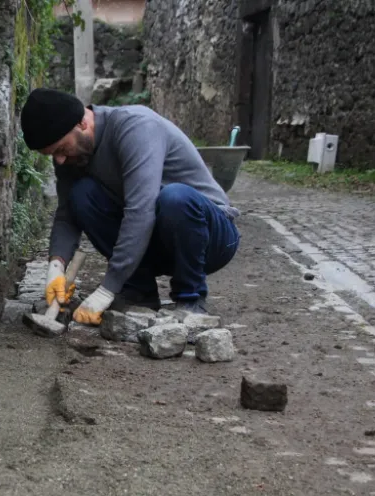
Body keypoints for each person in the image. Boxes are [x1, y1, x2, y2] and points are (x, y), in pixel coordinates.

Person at [19, 88, 241, 325]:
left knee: (175, 198)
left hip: (211, 238)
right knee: (80, 195)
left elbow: (140, 211)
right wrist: (56, 266)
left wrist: (108, 288)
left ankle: (190, 300)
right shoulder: (73, 156)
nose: (60, 160)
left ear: (82, 123)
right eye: (53, 155)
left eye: (61, 149)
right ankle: (139, 292)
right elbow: (67, 215)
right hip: (156, 241)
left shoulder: (135, 127)